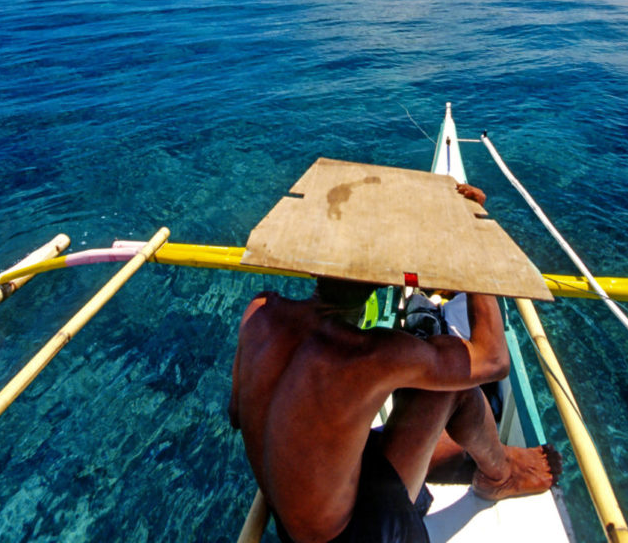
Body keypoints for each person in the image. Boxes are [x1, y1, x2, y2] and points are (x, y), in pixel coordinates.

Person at [228, 184, 561, 543]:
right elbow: (494, 359)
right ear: (382, 279)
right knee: (453, 388)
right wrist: (474, 237)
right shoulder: (371, 355)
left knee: (396, 397)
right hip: (352, 537)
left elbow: (237, 414)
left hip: (289, 522)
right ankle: (501, 475)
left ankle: (471, 460)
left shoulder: (259, 312)